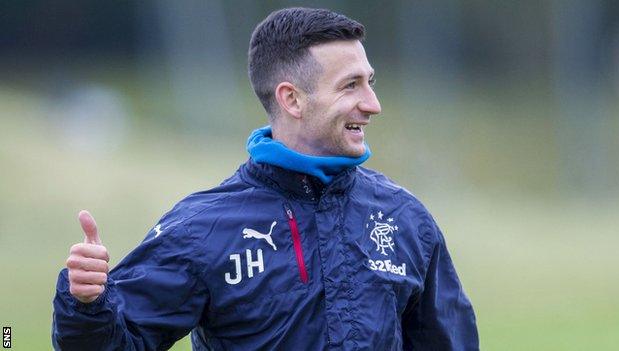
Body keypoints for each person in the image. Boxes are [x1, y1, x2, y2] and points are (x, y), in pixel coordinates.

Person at [52, 7, 478, 350]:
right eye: (351, 86)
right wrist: (86, 305)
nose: (373, 104)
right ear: (291, 98)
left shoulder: (405, 217)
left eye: (370, 82)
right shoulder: (201, 228)